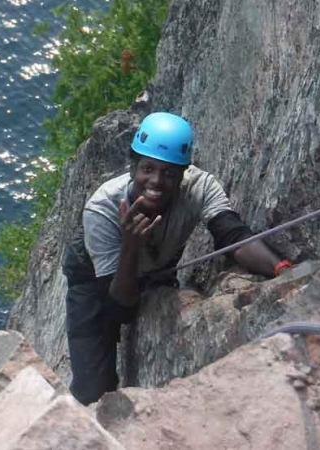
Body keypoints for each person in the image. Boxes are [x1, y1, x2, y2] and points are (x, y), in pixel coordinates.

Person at [63, 112, 291, 405]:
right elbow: (120, 311)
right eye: (148, 168)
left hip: (155, 263)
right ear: (133, 166)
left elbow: (233, 236)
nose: (156, 182)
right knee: (93, 389)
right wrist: (130, 246)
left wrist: (281, 268)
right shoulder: (103, 210)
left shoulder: (199, 187)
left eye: (169, 173)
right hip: (93, 277)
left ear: (184, 172)